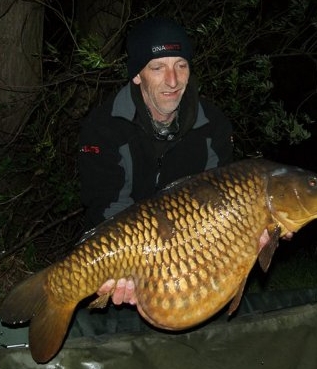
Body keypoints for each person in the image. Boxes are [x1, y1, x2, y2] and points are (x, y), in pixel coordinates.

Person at [78, 17, 234, 305]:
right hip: (126, 250)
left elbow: (220, 205)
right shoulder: (104, 127)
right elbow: (107, 208)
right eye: (157, 67)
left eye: (181, 65)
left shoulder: (214, 126)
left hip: (193, 253)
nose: (173, 81)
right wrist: (134, 267)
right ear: (137, 74)